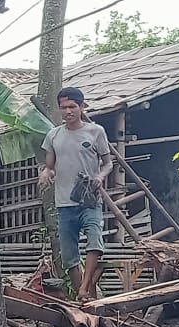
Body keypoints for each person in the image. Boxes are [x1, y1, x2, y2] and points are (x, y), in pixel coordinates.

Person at [38, 87, 113, 301]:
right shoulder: (54, 135)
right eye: (64, 107)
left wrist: (99, 176)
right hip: (64, 202)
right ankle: (83, 294)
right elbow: (50, 165)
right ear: (59, 109)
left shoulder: (95, 131)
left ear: (82, 107)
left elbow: (108, 163)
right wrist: (46, 172)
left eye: (72, 106)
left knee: (94, 242)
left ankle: (83, 289)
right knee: (69, 255)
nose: (68, 111)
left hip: (90, 200)